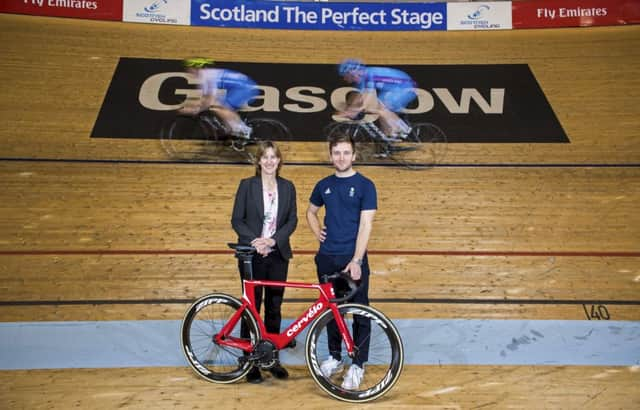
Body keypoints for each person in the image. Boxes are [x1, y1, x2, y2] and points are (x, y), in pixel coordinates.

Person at [306, 133, 377, 390]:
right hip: (327, 259)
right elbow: (310, 212)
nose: (341, 157)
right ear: (331, 156)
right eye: (337, 153)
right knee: (331, 312)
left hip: (352, 260)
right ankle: (335, 357)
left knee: (360, 313)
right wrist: (317, 232)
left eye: (346, 153)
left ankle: (358, 363)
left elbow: (366, 225)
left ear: (354, 156)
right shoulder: (323, 184)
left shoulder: (365, 185)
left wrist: (357, 260)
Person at [231, 140, 298, 383]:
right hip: (252, 255)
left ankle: (271, 359)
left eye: (274, 157)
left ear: (279, 161)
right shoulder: (247, 186)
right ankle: (250, 363)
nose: (269, 161)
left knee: (274, 308)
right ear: (258, 161)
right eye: (265, 157)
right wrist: (256, 241)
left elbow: (292, 221)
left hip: (277, 254)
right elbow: (237, 220)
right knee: (251, 310)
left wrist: (273, 241)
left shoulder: (288, 187)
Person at [338, 58, 417, 140]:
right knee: (379, 106)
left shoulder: (369, 74)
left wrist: (357, 109)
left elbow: (367, 96)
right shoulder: (363, 78)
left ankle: (403, 129)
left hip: (405, 88)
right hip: (396, 88)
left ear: (352, 73)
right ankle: (390, 136)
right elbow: (359, 97)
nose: (345, 79)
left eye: (345, 76)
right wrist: (350, 110)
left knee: (383, 107)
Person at [182, 57, 258, 139]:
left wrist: (194, 110)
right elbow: (203, 97)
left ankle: (245, 131)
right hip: (244, 86)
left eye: (189, 69)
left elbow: (209, 99)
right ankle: (233, 131)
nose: (188, 71)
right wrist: (192, 107)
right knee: (219, 105)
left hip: (244, 88)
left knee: (221, 107)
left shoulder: (206, 76)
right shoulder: (205, 75)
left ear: (196, 68)